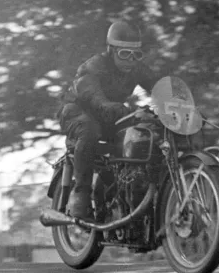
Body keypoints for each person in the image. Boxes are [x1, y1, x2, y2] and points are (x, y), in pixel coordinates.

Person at [57, 21, 160, 220]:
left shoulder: (137, 69)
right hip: (77, 112)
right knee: (89, 129)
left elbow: (159, 86)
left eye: (136, 54)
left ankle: (124, 191)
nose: (130, 60)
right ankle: (81, 193)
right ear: (111, 50)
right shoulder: (93, 67)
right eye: (124, 54)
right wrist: (118, 108)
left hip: (110, 115)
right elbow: (94, 98)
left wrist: (178, 104)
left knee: (141, 136)